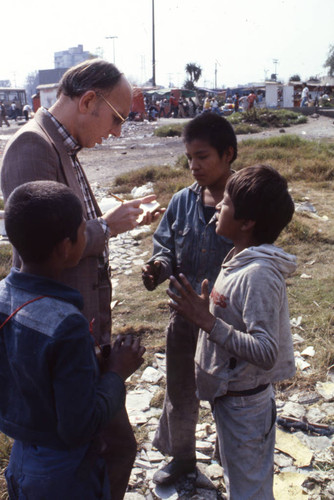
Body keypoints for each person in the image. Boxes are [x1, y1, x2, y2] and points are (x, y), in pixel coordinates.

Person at [1, 58, 158, 500]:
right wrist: (108, 227)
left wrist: (109, 220)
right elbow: (45, 238)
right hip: (58, 331)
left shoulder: (59, 145)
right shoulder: (32, 146)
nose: (116, 132)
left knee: (103, 448)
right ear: (89, 100)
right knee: (107, 445)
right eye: (117, 118)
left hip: (69, 331)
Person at [0, 180, 146, 499]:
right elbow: (79, 426)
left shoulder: (1, 298)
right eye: (83, 229)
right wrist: (116, 373)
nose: (87, 234)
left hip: (21, 461)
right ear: (66, 247)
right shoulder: (67, 325)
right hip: (65, 474)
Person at [167, 164, 296, 499]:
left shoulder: (259, 275)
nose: (218, 207)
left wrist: (207, 321)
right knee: (241, 478)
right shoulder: (239, 255)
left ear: (247, 222)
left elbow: (267, 351)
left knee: (249, 490)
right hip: (231, 396)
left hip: (245, 407)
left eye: (225, 203)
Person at [142, 112, 237, 485]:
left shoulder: (244, 202)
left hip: (227, 323)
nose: (194, 166)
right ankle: (182, 458)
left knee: (231, 395)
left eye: (203, 156)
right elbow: (165, 246)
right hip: (184, 317)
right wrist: (158, 267)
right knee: (180, 389)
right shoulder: (182, 200)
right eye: (189, 158)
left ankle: (235, 460)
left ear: (228, 154)